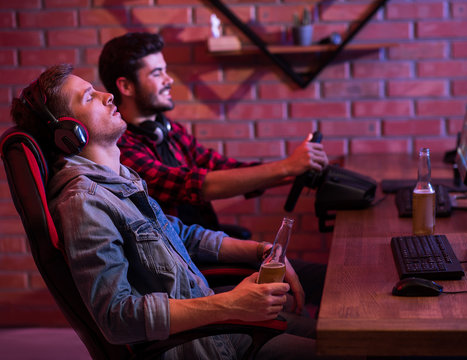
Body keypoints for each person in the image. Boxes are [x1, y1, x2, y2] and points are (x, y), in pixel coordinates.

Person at [10, 64, 321, 360]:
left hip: (217, 326)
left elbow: (181, 233)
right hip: (205, 347)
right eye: (90, 97)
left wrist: (259, 251)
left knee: (334, 333)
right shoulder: (85, 203)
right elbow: (117, 317)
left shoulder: (121, 180)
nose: (109, 97)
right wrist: (229, 304)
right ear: (69, 131)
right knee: (346, 347)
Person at [98, 32, 328, 310]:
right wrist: (286, 166)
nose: (169, 80)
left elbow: (217, 166)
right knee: (328, 280)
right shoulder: (122, 147)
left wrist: (291, 172)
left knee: (324, 278)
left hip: (215, 245)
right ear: (126, 86)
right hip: (190, 265)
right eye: (158, 73)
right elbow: (193, 184)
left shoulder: (166, 129)